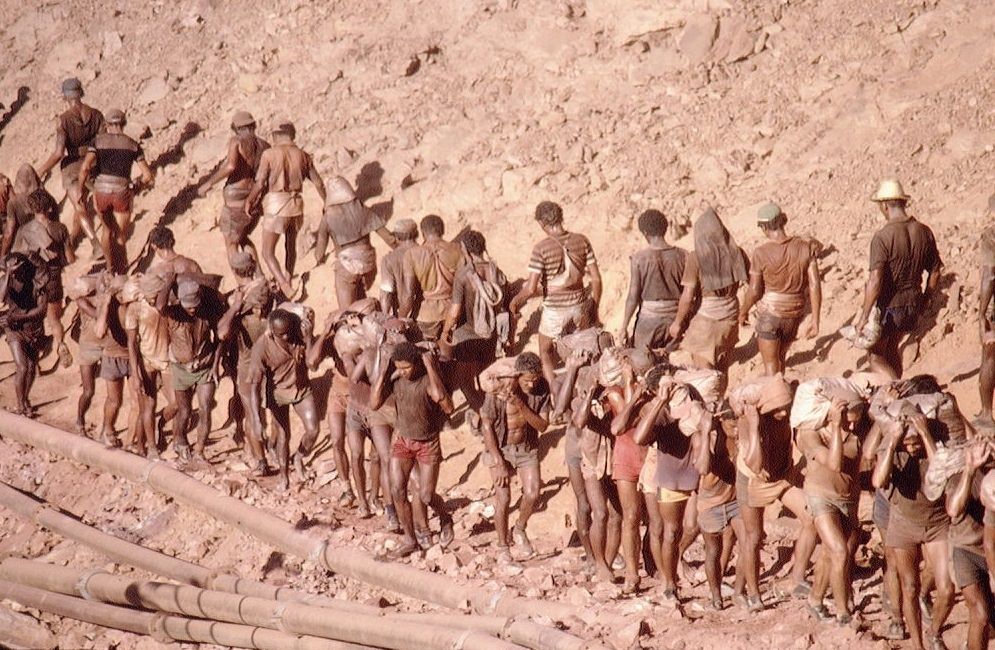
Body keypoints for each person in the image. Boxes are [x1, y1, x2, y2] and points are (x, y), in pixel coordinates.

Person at [729, 375, 816, 611]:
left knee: (811, 517)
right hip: (753, 479)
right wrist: (755, 426)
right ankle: (749, 591)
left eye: (786, 408)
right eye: (778, 410)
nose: (784, 414)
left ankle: (797, 577)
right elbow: (756, 464)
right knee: (753, 538)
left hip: (781, 475)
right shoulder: (749, 422)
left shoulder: (789, 414)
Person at [872, 401, 952, 650]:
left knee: (947, 588)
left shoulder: (935, 445)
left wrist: (925, 434)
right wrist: (894, 444)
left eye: (915, 441)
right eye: (908, 443)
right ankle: (918, 645)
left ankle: (934, 630)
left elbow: (941, 472)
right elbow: (878, 480)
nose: (912, 446)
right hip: (903, 524)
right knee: (909, 586)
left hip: (937, 523)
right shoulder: (893, 448)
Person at [632, 363, 712, 604]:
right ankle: (669, 582)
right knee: (671, 531)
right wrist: (659, 401)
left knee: (692, 526)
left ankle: (675, 562)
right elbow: (639, 437)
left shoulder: (693, 404)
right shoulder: (662, 414)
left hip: (694, 475)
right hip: (671, 478)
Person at [371, 342, 454, 557]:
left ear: (416, 364)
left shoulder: (428, 381)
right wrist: (383, 370)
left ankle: (445, 516)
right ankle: (410, 539)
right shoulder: (396, 380)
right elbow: (374, 403)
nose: (404, 371)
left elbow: (447, 405)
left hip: (427, 443)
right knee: (398, 490)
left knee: (426, 495)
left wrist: (430, 365)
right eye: (399, 367)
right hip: (403, 440)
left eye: (407, 367)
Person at [855, 180, 942, 379]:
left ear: (884, 205)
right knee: (893, 349)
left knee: (875, 357)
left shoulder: (882, 236)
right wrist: (925, 300)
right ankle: (896, 391)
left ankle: (896, 387)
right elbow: (935, 272)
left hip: (890, 306)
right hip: (913, 302)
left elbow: (875, 280)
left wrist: (863, 316)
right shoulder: (924, 231)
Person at [796, 391, 870, 624]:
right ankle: (843, 613)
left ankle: (815, 600)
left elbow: (856, 475)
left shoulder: (856, 433)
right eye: (847, 419)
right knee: (839, 551)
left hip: (847, 500)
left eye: (855, 419)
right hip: (820, 497)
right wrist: (837, 428)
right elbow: (835, 463)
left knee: (830, 555)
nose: (852, 424)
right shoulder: (810, 434)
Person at [510, 201, 602, 388]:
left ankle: (555, 392)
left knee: (545, 351)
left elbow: (530, 289)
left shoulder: (541, 248)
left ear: (542, 223)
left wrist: (514, 302)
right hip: (579, 306)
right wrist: (594, 307)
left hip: (555, 311)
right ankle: (582, 385)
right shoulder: (582, 241)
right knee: (579, 349)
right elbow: (597, 279)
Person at [555, 346, 623, 582]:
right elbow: (569, 415)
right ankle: (594, 557)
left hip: (610, 457)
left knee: (616, 515)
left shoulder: (615, 388)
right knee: (593, 510)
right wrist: (588, 390)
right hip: (586, 455)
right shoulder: (580, 381)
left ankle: (607, 561)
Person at [480, 352, 550, 562]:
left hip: (526, 448)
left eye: (534, 379)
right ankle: (503, 547)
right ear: (517, 376)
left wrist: (521, 404)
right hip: (500, 449)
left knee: (533, 493)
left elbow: (543, 425)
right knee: (503, 498)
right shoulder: (499, 389)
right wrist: (499, 462)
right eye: (527, 380)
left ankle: (519, 528)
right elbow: (487, 426)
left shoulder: (541, 390)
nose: (531, 384)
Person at [244, 119, 326, 297]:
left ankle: (284, 285)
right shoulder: (303, 155)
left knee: (267, 251)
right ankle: (288, 279)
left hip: (276, 204)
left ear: (276, 135)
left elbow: (260, 183)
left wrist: (250, 200)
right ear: (292, 135)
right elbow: (318, 183)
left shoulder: (269, 154)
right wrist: (326, 202)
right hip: (296, 204)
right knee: (290, 246)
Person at [738, 203, 822, 375]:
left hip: (771, 315)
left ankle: (777, 400)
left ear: (764, 227)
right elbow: (814, 284)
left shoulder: (761, 253)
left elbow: (754, 290)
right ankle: (785, 398)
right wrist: (815, 319)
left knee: (771, 368)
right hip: (794, 315)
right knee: (781, 361)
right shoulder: (804, 247)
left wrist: (743, 311)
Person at [245, 309, 320, 491]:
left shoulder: (299, 332)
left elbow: (313, 363)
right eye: (281, 334)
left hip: (301, 388)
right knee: (283, 435)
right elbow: (254, 385)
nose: (286, 336)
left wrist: (309, 338)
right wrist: (256, 419)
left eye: (288, 331)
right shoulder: (261, 347)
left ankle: (299, 456)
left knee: (313, 429)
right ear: (271, 330)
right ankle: (284, 476)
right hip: (278, 393)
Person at [670, 208, 748, 374]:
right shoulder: (738, 253)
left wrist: (677, 322)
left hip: (706, 322)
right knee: (722, 370)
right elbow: (753, 283)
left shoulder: (696, 257)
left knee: (704, 374)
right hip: (730, 320)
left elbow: (688, 296)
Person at [77, 108, 154, 271]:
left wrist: (79, 190)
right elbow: (147, 176)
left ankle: (110, 267)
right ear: (124, 124)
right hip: (122, 192)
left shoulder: (97, 142)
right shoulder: (133, 145)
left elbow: (84, 168)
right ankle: (122, 270)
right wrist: (134, 187)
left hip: (101, 191)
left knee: (106, 231)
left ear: (106, 124)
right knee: (120, 235)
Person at [441, 229, 508, 412]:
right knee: (487, 377)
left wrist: (445, 332)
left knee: (465, 381)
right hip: (491, 335)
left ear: (465, 249)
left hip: (468, 335)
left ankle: (483, 413)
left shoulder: (464, 275)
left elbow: (455, 311)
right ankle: (493, 410)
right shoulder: (497, 271)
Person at [607, 347, 657, 593]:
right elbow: (623, 423)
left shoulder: (651, 390)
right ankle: (631, 572)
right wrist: (633, 390)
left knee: (655, 518)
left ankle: (652, 560)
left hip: (649, 457)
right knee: (631, 517)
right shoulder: (616, 392)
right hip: (626, 456)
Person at [217, 256, 273, 473]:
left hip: (248, 364)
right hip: (270, 360)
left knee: (252, 413)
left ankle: (260, 460)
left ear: (235, 270)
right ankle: (272, 450)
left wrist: (236, 307)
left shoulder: (238, 301)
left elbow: (222, 332)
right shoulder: (267, 291)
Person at [36, 78, 104, 252]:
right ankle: (75, 237)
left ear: (65, 97)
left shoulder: (63, 120)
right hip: (93, 162)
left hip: (73, 166)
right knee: (91, 200)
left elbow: (59, 153)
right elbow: (103, 143)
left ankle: (96, 245)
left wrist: (42, 169)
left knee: (79, 204)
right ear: (80, 93)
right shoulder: (96, 114)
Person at [197, 111, 270, 266]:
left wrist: (208, 183)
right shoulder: (264, 145)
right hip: (253, 195)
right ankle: (258, 276)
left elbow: (231, 166)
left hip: (235, 197)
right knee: (243, 239)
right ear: (254, 125)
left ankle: (243, 282)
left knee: (231, 244)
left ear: (236, 128)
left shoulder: (236, 141)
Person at [12, 190, 74, 368]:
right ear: (48, 207)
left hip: (34, 280)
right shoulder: (59, 228)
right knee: (54, 319)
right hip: (54, 279)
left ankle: (35, 362)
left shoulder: (25, 230)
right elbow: (70, 259)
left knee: (33, 322)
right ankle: (61, 344)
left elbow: (16, 255)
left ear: (31, 209)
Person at [314, 175, 397, 309]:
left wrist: (319, 259)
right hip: (369, 262)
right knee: (361, 299)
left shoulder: (328, 217)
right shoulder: (362, 208)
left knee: (347, 312)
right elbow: (388, 237)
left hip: (347, 266)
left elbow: (319, 251)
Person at [942, 439, 994, 650]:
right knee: (980, 614)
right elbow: (954, 510)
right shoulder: (959, 478)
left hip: (991, 549)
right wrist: (970, 471)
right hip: (967, 551)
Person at [164, 280, 224, 460]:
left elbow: (219, 339)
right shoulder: (173, 314)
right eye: (188, 306)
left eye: (195, 306)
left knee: (205, 408)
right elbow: (160, 304)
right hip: (181, 369)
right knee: (184, 410)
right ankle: (180, 440)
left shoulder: (207, 312)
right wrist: (170, 279)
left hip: (205, 366)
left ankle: (199, 450)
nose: (192, 310)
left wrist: (215, 366)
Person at [619, 209, 687, 354]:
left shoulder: (639, 259)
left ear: (645, 233)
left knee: (641, 363)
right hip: (676, 320)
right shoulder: (683, 256)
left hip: (648, 322)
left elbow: (633, 297)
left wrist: (624, 326)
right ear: (665, 229)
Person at [695, 416, 744, 610]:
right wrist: (707, 434)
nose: (735, 429)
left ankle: (740, 590)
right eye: (732, 425)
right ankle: (715, 595)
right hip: (711, 504)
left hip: (735, 500)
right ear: (722, 421)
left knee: (749, 542)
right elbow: (703, 468)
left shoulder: (740, 435)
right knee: (713, 551)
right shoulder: (706, 438)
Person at [126, 273, 175, 458]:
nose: (155, 299)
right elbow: (131, 344)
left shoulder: (166, 305)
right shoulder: (135, 309)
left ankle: (160, 424)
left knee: (175, 403)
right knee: (148, 406)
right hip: (147, 361)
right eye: (153, 295)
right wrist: (135, 373)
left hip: (166, 360)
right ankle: (150, 448)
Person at [399, 215, 464, 342]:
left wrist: (400, 317)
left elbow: (408, 295)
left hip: (426, 315)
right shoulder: (458, 250)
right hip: (453, 311)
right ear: (443, 231)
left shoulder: (412, 254)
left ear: (422, 233)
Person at [0, 253, 48, 415]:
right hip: (13, 328)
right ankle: (20, 404)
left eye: (16, 269)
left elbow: (42, 310)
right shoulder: (7, 281)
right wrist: (7, 273)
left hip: (32, 328)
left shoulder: (36, 281)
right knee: (22, 366)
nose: (15, 273)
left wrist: (22, 316)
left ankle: (25, 398)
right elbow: (0, 297)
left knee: (32, 368)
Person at [92, 275, 133, 449]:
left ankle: (132, 440)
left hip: (132, 356)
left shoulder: (132, 305)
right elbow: (99, 332)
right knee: (115, 400)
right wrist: (107, 305)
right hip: (113, 356)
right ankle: (107, 429)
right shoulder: (107, 307)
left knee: (137, 401)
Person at [977, 194, 995, 431]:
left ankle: (986, 413)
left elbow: (990, 275)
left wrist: (981, 312)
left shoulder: (991, 235)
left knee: (990, 355)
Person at [3, 164, 47, 256]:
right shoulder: (28, 194)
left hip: (30, 244)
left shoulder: (12, 204)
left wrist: (1, 256)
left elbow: (8, 234)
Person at [378, 218, 418, 315]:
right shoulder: (426, 252)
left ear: (397, 237)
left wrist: (386, 318)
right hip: (426, 313)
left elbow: (386, 294)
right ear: (417, 234)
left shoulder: (389, 259)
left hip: (403, 313)